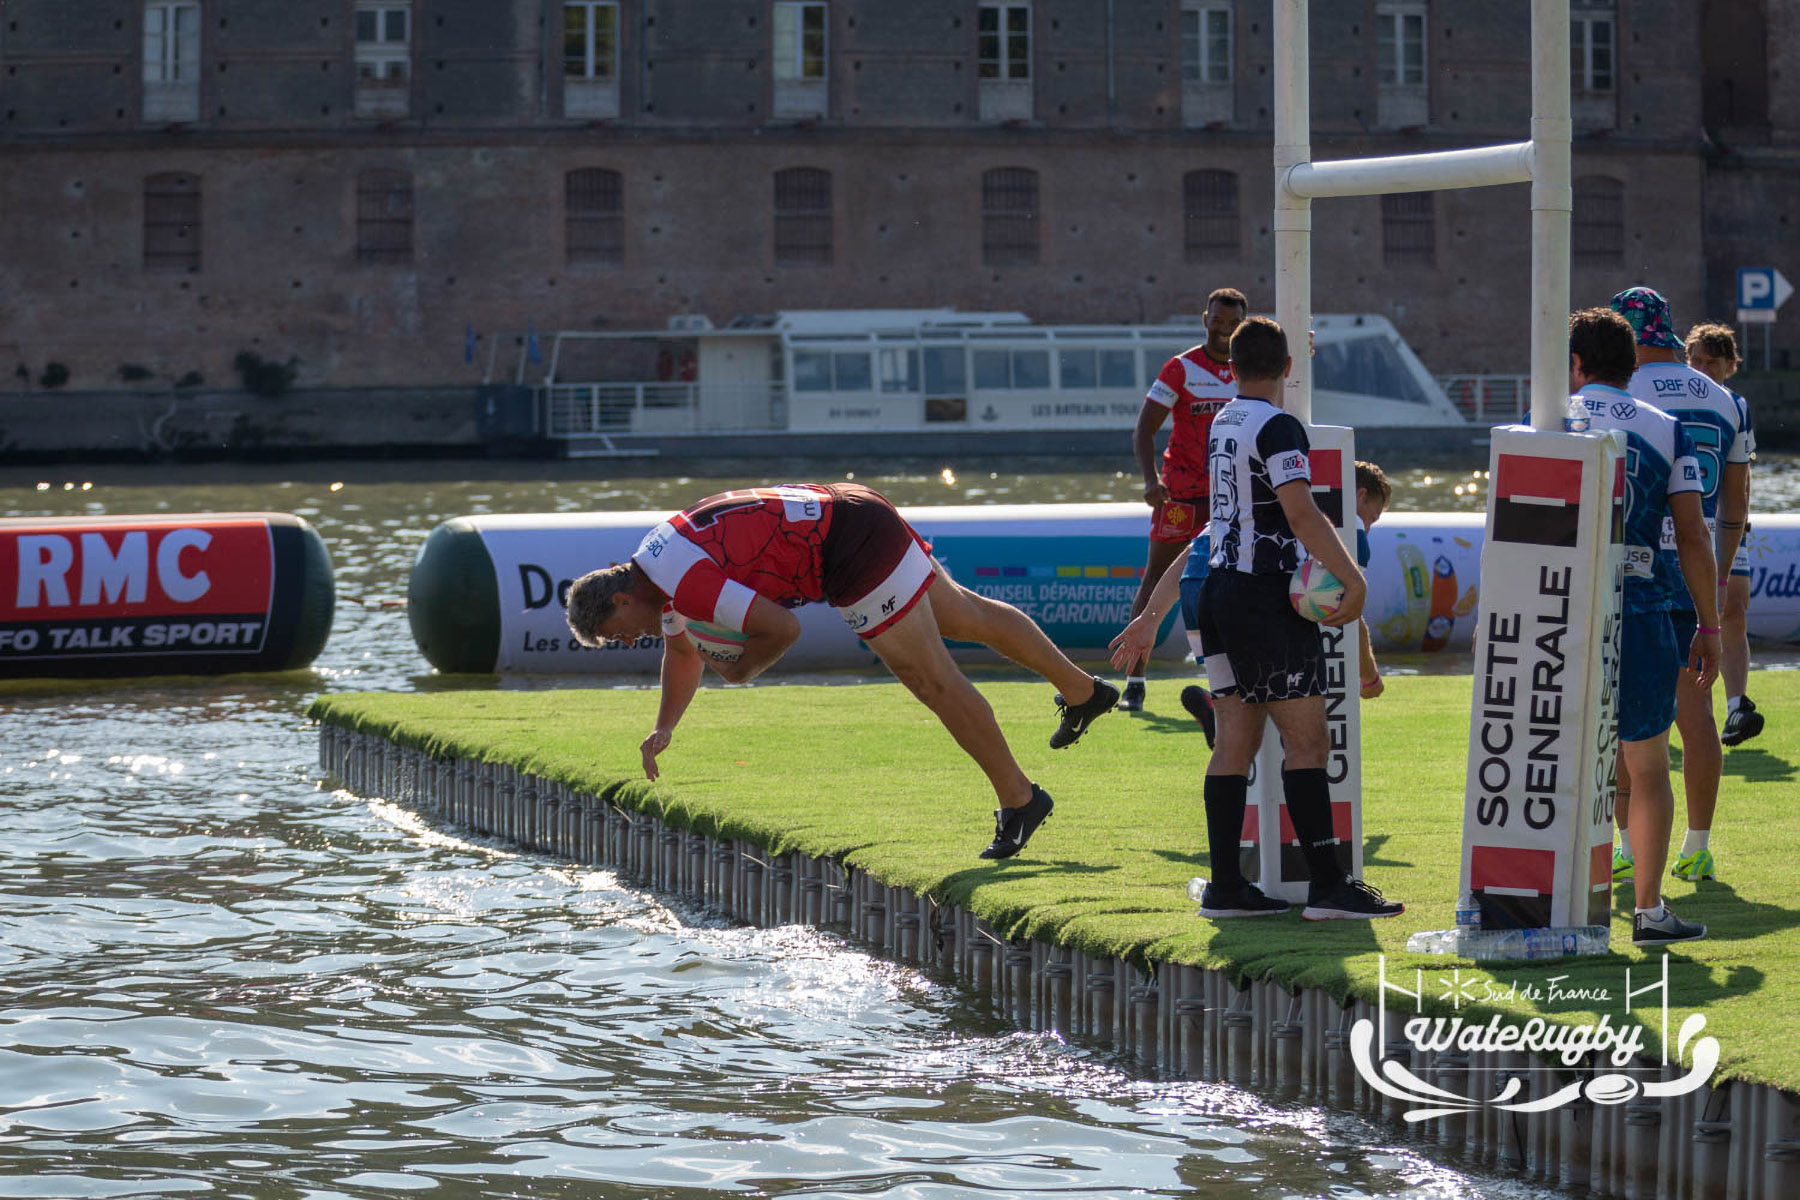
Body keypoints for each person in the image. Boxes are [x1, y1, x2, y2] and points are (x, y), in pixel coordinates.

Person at [562, 483, 1120, 861]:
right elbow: (682, 654)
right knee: (966, 615)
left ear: (618, 601)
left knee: (932, 681)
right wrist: (666, 726)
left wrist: (740, 669)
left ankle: (1021, 801)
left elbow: (781, 629)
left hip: (849, 548)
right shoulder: (654, 567)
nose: (630, 639)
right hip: (853, 508)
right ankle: (1082, 690)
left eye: (620, 633)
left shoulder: (681, 582)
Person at [1111, 316, 1404, 921]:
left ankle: (1226, 889)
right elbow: (1301, 514)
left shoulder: (1223, 420)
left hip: (1216, 594)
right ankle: (1328, 888)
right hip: (1263, 599)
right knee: (1309, 742)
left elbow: (1215, 525)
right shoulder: (1278, 426)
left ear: (1232, 368)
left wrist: (1153, 614)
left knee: (1236, 743)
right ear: (1288, 368)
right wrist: (1353, 576)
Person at [1569, 307, 1719, 946]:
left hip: (1560, 608)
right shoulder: (1666, 428)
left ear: (1574, 365)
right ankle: (1650, 910)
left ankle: (1558, 898)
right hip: (1644, 606)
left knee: (1562, 761)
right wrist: (1710, 626)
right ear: (1634, 366)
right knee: (1649, 764)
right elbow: (1691, 532)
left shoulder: (1544, 421)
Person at [1610, 288, 1750, 888]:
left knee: (1622, 720)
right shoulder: (1728, 400)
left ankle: (1623, 843)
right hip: (1699, 562)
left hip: (1637, 566)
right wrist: (1716, 579)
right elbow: (1736, 504)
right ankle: (1697, 846)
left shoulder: (1625, 394)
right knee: (1696, 715)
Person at [1119, 287, 1250, 713]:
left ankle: (1233, 682)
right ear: (1205, 318)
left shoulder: (1248, 368)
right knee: (1156, 581)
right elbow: (1144, 430)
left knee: (1234, 581)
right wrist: (1150, 480)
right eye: (1218, 320)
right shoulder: (1181, 368)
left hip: (1230, 492)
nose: (1224, 329)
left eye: (1233, 323)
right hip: (1180, 493)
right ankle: (1134, 683)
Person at [1685, 321, 1763, 748]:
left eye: (1710, 364)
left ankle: (1736, 706)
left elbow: (1744, 471)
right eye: (1693, 360)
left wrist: (1740, 519)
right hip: (1682, 525)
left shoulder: (1738, 405)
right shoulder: (1667, 398)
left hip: (1725, 524)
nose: (1699, 370)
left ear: (1729, 366)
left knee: (1734, 608)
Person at [1354, 461, 1392, 700]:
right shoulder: (1355, 535)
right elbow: (1347, 616)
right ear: (1361, 495)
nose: (1368, 529)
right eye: (1372, 517)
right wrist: (1370, 679)